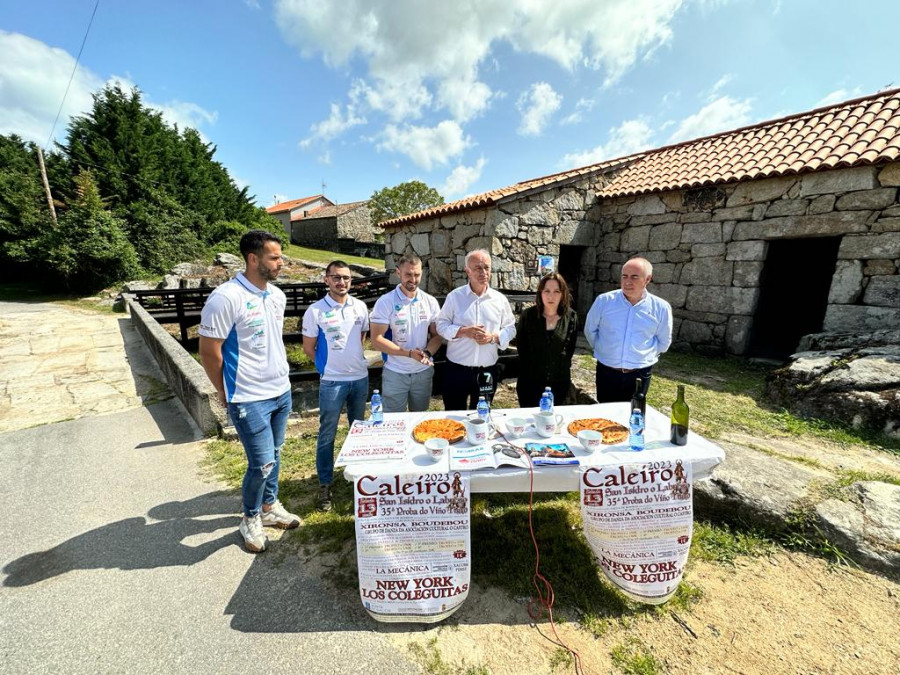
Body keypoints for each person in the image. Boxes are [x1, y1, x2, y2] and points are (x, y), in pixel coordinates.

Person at [198, 230, 301, 553]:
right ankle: (250, 517)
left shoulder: (277, 296)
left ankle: (270, 507)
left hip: (280, 390)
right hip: (248, 395)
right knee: (261, 463)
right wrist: (223, 391)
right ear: (253, 259)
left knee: (276, 454)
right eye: (274, 257)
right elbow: (208, 350)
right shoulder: (226, 297)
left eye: (281, 257)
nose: (281, 263)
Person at [302, 260, 370, 512]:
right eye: (337, 277)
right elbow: (309, 348)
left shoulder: (360, 307)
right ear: (326, 279)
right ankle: (325, 484)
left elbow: (361, 338)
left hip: (359, 378)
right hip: (332, 381)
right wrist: (328, 367)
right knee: (327, 433)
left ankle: (358, 479)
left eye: (346, 278)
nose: (342, 282)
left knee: (358, 431)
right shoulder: (315, 311)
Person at [584, 256, 673, 404]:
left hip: (640, 373)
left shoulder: (661, 308)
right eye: (624, 276)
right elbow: (590, 330)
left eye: (634, 277)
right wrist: (606, 349)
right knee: (605, 416)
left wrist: (641, 356)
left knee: (634, 415)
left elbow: (663, 341)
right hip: (607, 371)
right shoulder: (604, 301)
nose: (627, 282)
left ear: (647, 279)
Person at [435, 249, 516, 411]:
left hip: (487, 371)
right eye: (478, 268)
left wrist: (493, 337)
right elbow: (441, 325)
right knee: (453, 416)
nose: (483, 272)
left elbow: (511, 328)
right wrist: (463, 331)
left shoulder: (499, 300)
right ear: (467, 271)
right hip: (457, 370)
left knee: (481, 417)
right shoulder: (454, 297)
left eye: (487, 267)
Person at [370, 253, 443, 412]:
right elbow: (376, 339)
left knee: (419, 420)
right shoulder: (386, 301)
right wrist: (408, 353)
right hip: (395, 373)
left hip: (422, 373)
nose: (413, 279)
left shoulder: (430, 302)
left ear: (421, 273)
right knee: (393, 422)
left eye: (417, 274)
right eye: (408, 274)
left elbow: (437, 335)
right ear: (398, 272)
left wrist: (427, 353)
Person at [515, 273, 578, 408]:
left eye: (556, 291)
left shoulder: (571, 317)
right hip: (530, 384)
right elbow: (522, 349)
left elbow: (569, 350)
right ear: (540, 293)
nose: (551, 296)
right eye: (547, 291)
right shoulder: (528, 316)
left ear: (563, 294)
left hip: (559, 384)